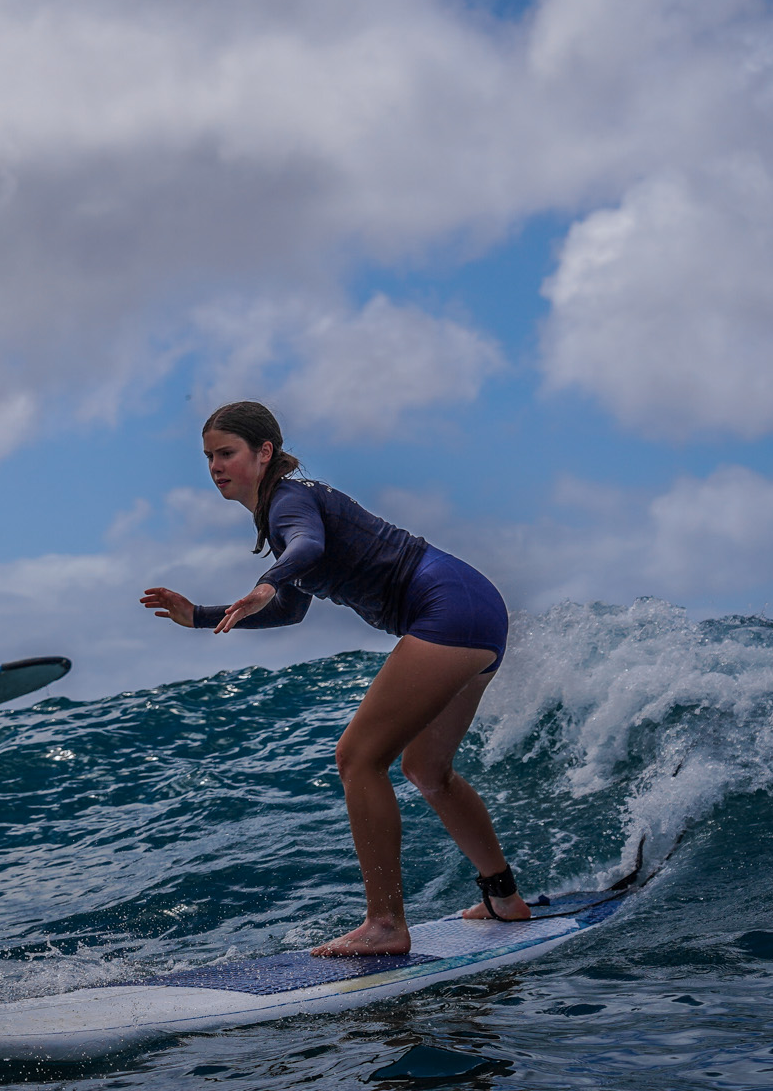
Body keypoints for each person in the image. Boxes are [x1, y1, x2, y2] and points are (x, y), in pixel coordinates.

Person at [139, 402, 533, 957]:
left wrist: (264, 581)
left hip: (447, 606)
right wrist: (201, 615)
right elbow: (291, 610)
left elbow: (307, 548)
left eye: (226, 453)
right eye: (208, 457)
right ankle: (503, 897)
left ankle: (386, 924)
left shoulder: (290, 500)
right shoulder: (286, 510)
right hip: (474, 606)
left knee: (357, 757)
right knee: (425, 768)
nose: (214, 467)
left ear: (264, 452)